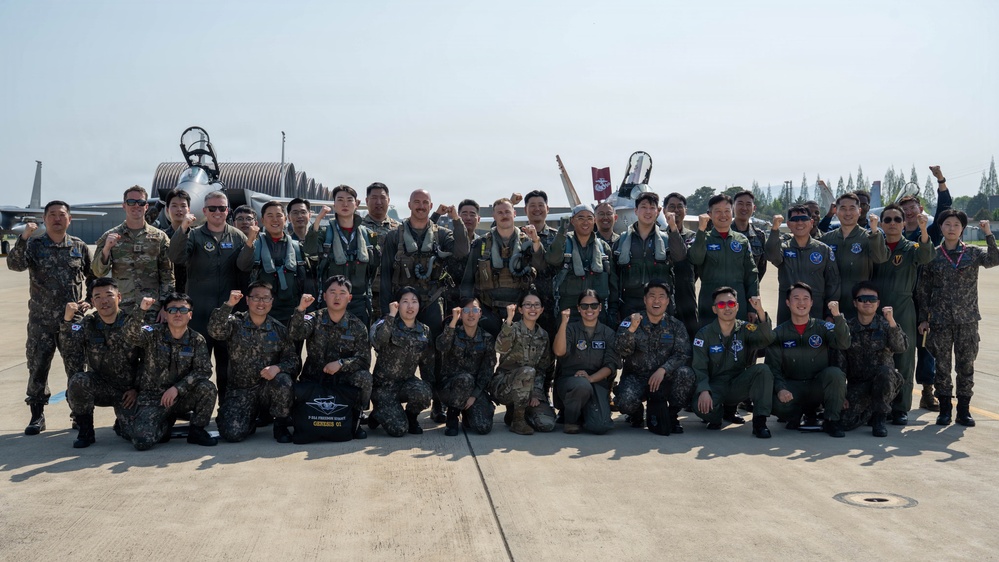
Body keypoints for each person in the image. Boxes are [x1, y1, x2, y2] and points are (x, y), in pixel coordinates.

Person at [380, 189, 470, 423]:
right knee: (396, 352)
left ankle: (437, 404)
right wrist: (386, 313)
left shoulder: (442, 234)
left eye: (425, 202)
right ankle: (392, 399)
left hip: (431, 303)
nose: (421, 206)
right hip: (402, 305)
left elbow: (462, 250)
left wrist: (457, 220)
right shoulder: (393, 236)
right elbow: (386, 276)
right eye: (417, 202)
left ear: (431, 206)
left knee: (436, 356)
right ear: (409, 204)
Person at [7, 200, 94, 435]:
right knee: (37, 368)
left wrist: (90, 300)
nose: (57, 218)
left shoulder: (79, 247)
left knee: (76, 369)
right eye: (52, 215)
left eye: (62, 215)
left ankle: (78, 414)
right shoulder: (34, 245)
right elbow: (14, 265)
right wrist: (24, 237)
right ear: (45, 219)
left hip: (72, 322)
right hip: (40, 322)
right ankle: (37, 416)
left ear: (69, 219)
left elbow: (94, 276)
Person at [917, 211, 998, 427]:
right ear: (941, 228)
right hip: (940, 321)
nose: (951, 228)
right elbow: (923, 290)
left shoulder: (972, 253)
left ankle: (963, 410)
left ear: (962, 229)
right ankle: (945, 410)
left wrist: (988, 233)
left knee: (966, 366)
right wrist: (923, 319)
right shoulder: (933, 256)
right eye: (947, 224)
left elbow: (994, 259)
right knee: (942, 367)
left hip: (967, 320)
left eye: (956, 224)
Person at [168, 191, 247, 399]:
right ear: (205, 211)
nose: (217, 212)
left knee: (227, 366)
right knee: (195, 364)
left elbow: (246, 269)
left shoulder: (238, 236)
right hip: (200, 313)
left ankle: (226, 409)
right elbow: (175, 256)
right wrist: (183, 229)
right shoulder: (193, 235)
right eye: (212, 208)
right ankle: (192, 408)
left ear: (227, 210)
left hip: (227, 313)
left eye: (222, 208)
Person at [207, 282, 300, 443]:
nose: (261, 303)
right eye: (256, 298)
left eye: (266, 298)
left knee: (283, 381)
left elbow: (293, 361)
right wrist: (228, 305)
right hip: (241, 391)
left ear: (272, 302)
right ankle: (250, 420)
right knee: (232, 434)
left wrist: (277, 368)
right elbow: (215, 330)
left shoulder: (279, 330)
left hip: (267, 390)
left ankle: (280, 425)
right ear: (248, 300)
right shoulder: (235, 323)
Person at [125, 294, 218, 450]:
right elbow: (130, 335)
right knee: (142, 442)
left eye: (183, 310)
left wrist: (177, 388)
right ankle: (165, 422)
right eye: (172, 309)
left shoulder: (197, 340)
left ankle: (197, 430)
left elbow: (203, 370)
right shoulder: (152, 333)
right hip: (153, 398)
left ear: (190, 315)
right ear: (165, 314)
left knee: (207, 388)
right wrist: (141, 310)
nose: (177, 314)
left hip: (182, 397)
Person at [289, 276, 373, 439]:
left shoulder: (357, 326)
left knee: (365, 378)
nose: (337, 297)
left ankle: (356, 416)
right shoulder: (314, 318)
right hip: (315, 378)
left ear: (349, 298)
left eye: (342, 293)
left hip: (343, 381)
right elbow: (295, 333)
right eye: (332, 292)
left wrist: (341, 364)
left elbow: (364, 360)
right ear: (324, 296)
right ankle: (287, 419)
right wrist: (300, 309)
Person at [871, 204, 933, 424]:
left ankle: (900, 408)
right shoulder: (874, 245)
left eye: (897, 219)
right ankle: (877, 406)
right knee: (875, 358)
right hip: (874, 308)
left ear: (905, 223)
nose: (892, 224)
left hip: (903, 308)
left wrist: (924, 229)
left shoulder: (911, 247)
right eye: (887, 220)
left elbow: (926, 256)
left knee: (904, 359)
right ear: (882, 223)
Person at [61, 278, 139, 448]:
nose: (104, 301)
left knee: (138, 435)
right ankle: (86, 431)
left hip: (129, 392)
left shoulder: (132, 322)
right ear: (93, 302)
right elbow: (70, 347)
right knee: (78, 381)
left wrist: (137, 388)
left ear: (119, 297)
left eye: (109, 295)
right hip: (101, 387)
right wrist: (67, 321)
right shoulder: (88, 323)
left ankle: (122, 422)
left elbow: (148, 360)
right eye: (98, 297)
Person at [766, 283, 850, 437]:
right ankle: (795, 415)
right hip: (793, 387)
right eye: (796, 298)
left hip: (817, 385)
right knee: (773, 402)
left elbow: (843, 342)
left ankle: (832, 421)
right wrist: (780, 389)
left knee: (835, 374)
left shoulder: (823, 327)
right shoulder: (779, 333)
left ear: (812, 302)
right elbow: (773, 368)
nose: (801, 303)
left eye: (806, 298)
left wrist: (838, 316)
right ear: (787, 303)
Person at [692, 288, 776, 438]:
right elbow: (699, 366)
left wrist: (760, 311)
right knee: (701, 409)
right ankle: (719, 415)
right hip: (715, 385)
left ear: (737, 306)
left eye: (731, 304)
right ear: (714, 309)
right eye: (721, 304)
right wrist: (704, 390)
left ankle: (760, 422)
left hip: (738, 383)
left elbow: (767, 338)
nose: (727, 308)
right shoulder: (704, 334)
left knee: (763, 370)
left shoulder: (745, 328)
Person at [614, 281, 695, 435]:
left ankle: (671, 415)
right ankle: (636, 413)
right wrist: (631, 330)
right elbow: (620, 351)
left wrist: (664, 369)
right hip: (636, 377)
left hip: (665, 379)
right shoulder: (631, 321)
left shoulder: (675, 325)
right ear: (645, 300)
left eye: (661, 297)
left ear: (667, 301)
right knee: (625, 403)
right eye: (652, 296)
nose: (656, 301)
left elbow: (683, 354)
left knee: (686, 373)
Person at [461, 197, 544, 335]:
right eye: (500, 213)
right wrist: (469, 307)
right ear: (494, 216)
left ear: (514, 213)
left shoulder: (528, 241)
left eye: (507, 211)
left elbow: (540, 266)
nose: (504, 215)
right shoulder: (481, 244)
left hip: (519, 309)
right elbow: (468, 279)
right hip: (488, 309)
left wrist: (536, 242)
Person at [93, 185, 174, 321]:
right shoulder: (110, 236)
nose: (136, 206)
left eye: (140, 202)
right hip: (121, 309)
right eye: (131, 202)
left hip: (151, 308)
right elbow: (98, 272)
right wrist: (106, 249)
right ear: (124, 206)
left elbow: (168, 276)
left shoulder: (159, 237)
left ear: (146, 206)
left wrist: (166, 306)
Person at [836, 282, 905, 437]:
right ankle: (872, 411)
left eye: (872, 299)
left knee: (885, 372)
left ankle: (879, 418)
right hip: (859, 385)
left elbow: (901, 347)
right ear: (855, 302)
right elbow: (840, 365)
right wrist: (841, 396)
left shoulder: (887, 325)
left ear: (878, 303)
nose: (867, 302)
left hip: (884, 381)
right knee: (844, 422)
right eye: (862, 299)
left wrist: (892, 321)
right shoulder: (847, 328)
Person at [305, 185, 377, 326]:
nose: (345, 204)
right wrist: (317, 221)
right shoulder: (325, 233)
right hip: (331, 302)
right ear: (334, 205)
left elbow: (374, 266)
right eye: (340, 200)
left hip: (358, 302)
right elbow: (309, 249)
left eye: (349, 200)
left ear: (356, 204)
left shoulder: (367, 235)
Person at [369, 286, 435, 437]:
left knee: (423, 392)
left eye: (414, 301)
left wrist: (429, 389)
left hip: (406, 384)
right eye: (405, 301)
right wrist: (391, 316)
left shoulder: (424, 330)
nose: (410, 306)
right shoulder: (387, 324)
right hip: (383, 387)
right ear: (397, 304)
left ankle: (411, 418)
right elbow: (379, 341)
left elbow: (427, 363)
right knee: (399, 429)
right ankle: (379, 412)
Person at [612, 191, 687, 321]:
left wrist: (673, 228)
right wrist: (614, 308)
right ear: (636, 211)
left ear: (657, 212)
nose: (648, 212)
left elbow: (680, 256)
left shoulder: (666, 240)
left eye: (652, 208)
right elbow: (614, 276)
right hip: (630, 304)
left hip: (660, 304)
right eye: (644, 207)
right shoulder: (622, 241)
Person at [552, 290, 620, 434]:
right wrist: (563, 324)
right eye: (584, 306)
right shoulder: (570, 329)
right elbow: (559, 352)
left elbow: (610, 365)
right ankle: (570, 420)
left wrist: (590, 378)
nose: (589, 310)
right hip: (570, 381)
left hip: (596, 381)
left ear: (600, 308)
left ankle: (584, 412)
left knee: (600, 426)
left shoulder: (608, 333)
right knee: (581, 386)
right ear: (578, 308)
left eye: (594, 306)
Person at [689, 194, 760, 326]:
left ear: (732, 212)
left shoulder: (742, 241)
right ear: (709, 214)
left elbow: (751, 274)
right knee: (711, 341)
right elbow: (696, 259)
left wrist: (752, 308)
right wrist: (701, 231)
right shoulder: (703, 238)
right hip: (710, 303)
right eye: (718, 211)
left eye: (727, 211)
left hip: (738, 303)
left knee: (738, 341)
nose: (723, 215)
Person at [492, 291, 556, 435]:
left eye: (536, 305)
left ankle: (516, 413)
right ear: (520, 309)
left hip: (530, 388)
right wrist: (508, 320)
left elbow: (542, 368)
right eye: (528, 305)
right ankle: (518, 421)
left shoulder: (543, 335)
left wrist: (536, 394)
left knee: (547, 425)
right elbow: (500, 347)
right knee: (527, 371)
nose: (532, 308)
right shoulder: (512, 328)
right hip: (504, 386)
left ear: (542, 309)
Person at [237, 200, 308, 326]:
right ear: (263, 220)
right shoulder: (254, 245)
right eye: (270, 216)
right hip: (261, 313)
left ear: (285, 219)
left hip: (291, 313)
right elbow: (242, 266)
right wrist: (249, 242)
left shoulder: (297, 247)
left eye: (279, 216)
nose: (275, 220)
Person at [766, 206, 840, 323]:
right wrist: (775, 229)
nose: (799, 222)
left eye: (803, 218)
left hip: (816, 312)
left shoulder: (824, 250)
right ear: (789, 224)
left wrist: (830, 313)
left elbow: (833, 284)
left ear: (811, 222)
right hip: (788, 314)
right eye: (795, 219)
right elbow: (771, 255)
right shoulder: (784, 248)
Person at [545, 203, 617, 325]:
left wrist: (614, 309)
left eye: (589, 218)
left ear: (594, 220)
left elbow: (613, 281)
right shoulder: (564, 243)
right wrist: (562, 231)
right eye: (580, 218)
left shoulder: (603, 248)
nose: (585, 222)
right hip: (569, 311)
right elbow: (553, 259)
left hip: (596, 311)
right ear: (572, 221)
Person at [819, 192, 888, 318]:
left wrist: (875, 232)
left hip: (860, 306)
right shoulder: (826, 240)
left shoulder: (869, 237)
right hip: (832, 305)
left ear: (860, 211)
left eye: (852, 208)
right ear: (836, 211)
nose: (848, 213)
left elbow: (880, 258)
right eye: (843, 209)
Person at [436, 298, 497, 436]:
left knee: (483, 427)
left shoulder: (487, 338)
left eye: (475, 310)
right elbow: (441, 346)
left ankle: (467, 414)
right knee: (465, 379)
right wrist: (452, 322)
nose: (471, 314)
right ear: (460, 313)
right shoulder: (453, 332)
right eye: (466, 310)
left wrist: (474, 395)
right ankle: (452, 418)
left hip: (473, 389)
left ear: (480, 313)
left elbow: (487, 370)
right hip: (450, 388)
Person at [361, 182, 401, 320]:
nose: (379, 202)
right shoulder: (358, 228)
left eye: (382, 198)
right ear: (367, 201)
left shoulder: (400, 229)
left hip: (392, 293)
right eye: (374, 198)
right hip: (364, 292)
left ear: (389, 200)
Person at [664, 193, 699, 338]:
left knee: (690, 337)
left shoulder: (694, 237)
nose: (676, 210)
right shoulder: (659, 237)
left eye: (680, 207)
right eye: (671, 207)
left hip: (686, 294)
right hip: (663, 295)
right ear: (664, 211)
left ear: (685, 210)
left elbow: (693, 261)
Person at [901, 166, 952, 246]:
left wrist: (941, 180)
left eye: (912, 208)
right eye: (904, 209)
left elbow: (944, 208)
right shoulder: (895, 235)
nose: (908, 212)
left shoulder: (930, 234)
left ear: (921, 209)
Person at [732, 190, 768, 280]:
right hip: (726, 291)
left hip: (751, 291)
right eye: (740, 203)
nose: (744, 208)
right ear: (733, 206)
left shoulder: (759, 236)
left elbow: (762, 267)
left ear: (754, 208)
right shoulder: (723, 232)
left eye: (748, 204)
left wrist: (752, 288)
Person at [161, 188, 192, 293]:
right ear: (167, 209)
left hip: (191, 294)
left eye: (183, 206)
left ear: (189, 210)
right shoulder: (159, 237)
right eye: (174, 206)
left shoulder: (197, 236)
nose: (179, 209)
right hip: (166, 295)